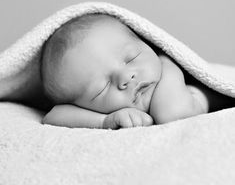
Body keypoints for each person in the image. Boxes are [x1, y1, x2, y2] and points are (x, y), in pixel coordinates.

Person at [41, 14, 235, 129]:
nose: (126, 77)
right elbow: (53, 116)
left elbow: (173, 113)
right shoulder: (98, 113)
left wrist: (167, 63)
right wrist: (105, 121)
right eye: (102, 88)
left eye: (132, 58)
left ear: (149, 45)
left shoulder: (166, 71)